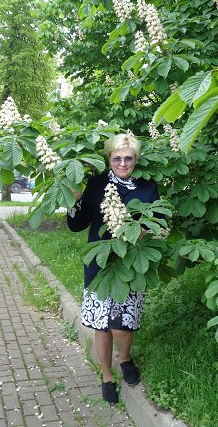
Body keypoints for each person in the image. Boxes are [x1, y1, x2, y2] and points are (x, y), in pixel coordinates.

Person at [66, 132, 160, 404]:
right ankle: (107, 375)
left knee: (122, 324)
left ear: (136, 159)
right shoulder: (96, 184)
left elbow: (158, 221)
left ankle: (125, 358)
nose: (122, 163)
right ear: (109, 158)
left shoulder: (147, 186)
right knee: (102, 325)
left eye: (128, 158)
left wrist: (141, 230)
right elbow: (77, 225)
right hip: (100, 264)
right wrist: (75, 201)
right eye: (117, 158)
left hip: (131, 264)